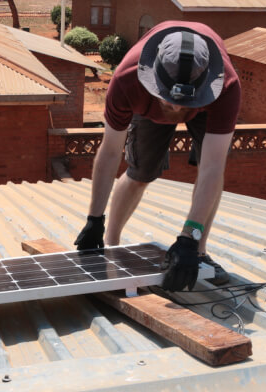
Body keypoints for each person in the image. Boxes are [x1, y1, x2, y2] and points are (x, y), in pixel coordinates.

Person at [73, 21, 241, 291]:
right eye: (169, 99)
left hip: (206, 106)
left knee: (209, 173)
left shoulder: (226, 88)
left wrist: (189, 237)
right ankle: (112, 245)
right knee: (140, 172)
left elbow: (212, 167)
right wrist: (95, 220)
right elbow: (110, 151)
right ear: (153, 77)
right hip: (146, 101)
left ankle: (198, 252)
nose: (175, 107)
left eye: (183, 102)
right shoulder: (127, 78)